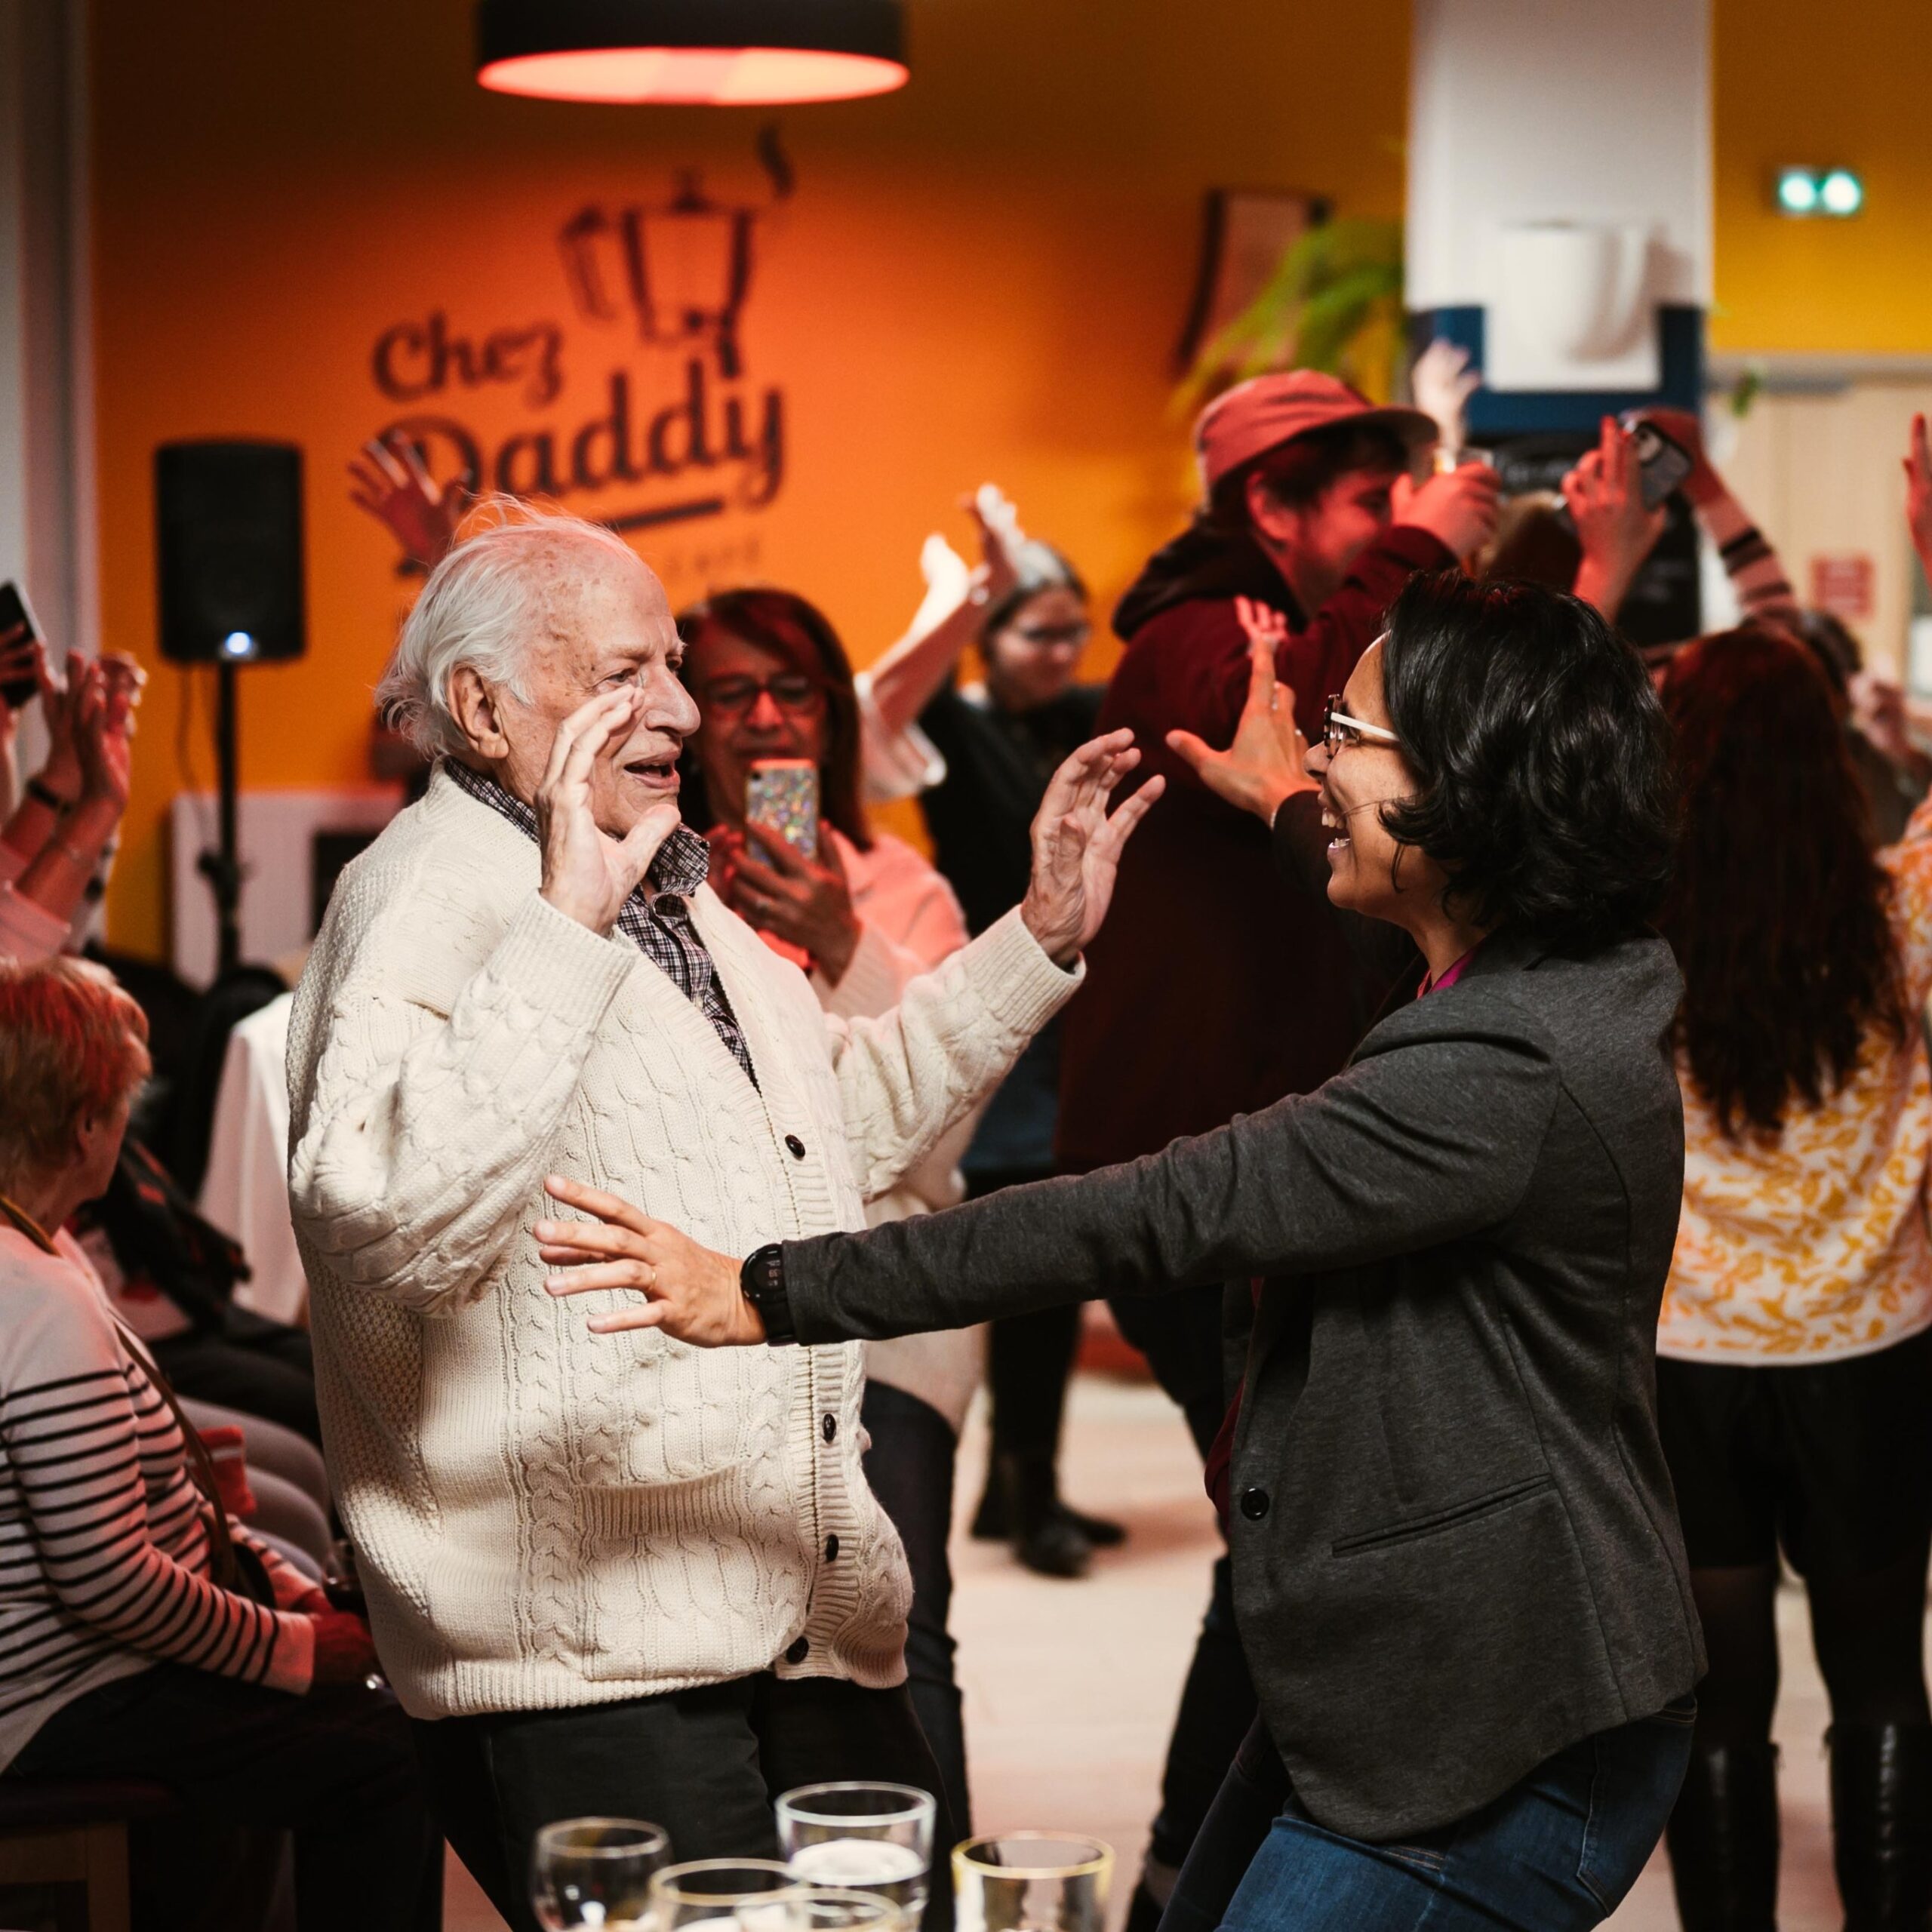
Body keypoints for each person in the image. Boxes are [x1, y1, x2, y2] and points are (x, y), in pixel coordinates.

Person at [541, 569, 1701, 1932]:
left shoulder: (1502, 1066)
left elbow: (1138, 1211)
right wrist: (1281, 807)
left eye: (1353, 735)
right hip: (1432, 1662)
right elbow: (1369, 878)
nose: (1321, 752)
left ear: (1469, 784)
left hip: (1510, 1714)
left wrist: (765, 1289)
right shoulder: (1552, 962)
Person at [285, 501, 1158, 1932]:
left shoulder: (665, 888)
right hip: (589, 1659)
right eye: (631, 672)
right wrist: (564, 921)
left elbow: (834, 1129)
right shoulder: (421, 901)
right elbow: (391, 1226)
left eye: (674, 665)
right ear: (481, 707)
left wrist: (1037, 938)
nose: (684, 711)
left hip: (791, 1612)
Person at [1053, 368, 1498, 1924]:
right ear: (1269, 507)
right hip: (1195, 1172)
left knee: (1291, 1533)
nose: (1388, 529)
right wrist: (1419, 548)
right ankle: (1198, 1869)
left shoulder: (1285, 610)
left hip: (1268, 1153)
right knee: (1284, 1537)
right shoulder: (1184, 630)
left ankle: (1212, 1865)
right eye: (1366, 503)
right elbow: (1300, 703)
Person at [0, 956, 439, 1932]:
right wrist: (295, 1650)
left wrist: (271, 1577)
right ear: (84, 1126)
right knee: (385, 1746)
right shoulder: (37, 1298)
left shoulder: (39, 1242)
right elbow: (108, 1585)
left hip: (55, 1667)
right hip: (48, 1697)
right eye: (124, 1106)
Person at [677, 582, 983, 1835]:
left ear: (832, 718)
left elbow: (948, 1131)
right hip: (708, 1297)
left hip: (890, 1305)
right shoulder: (653, 879)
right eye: (729, 690)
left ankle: (931, 1901)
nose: (758, 718)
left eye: (789, 688)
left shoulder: (902, 886)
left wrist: (847, 946)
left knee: (900, 1621)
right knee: (731, 1630)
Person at [1651, 619, 1932, 1930]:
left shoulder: (1629, 934)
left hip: (1689, 1359)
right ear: (1830, 763)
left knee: (1718, 1705)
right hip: (1870, 1356)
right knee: (1881, 1684)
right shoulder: (1898, 915)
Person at [860, 492, 1123, 1579]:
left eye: (1072, 628)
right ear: (994, 637)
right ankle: (1019, 1486)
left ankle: (1027, 1486)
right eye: (1036, 629)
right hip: (995, 1015)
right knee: (1023, 1266)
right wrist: (970, 596)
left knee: (1062, 1274)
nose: (1059, 651)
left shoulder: (1092, 712)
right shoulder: (959, 725)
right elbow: (882, 699)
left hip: (1080, 1019)